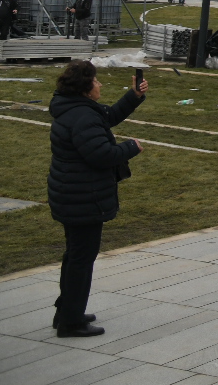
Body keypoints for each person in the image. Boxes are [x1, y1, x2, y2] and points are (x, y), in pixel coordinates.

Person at [46, 59, 147, 337]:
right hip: (83, 197)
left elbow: (107, 117)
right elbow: (101, 155)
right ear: (85, 87)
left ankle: (67, 311)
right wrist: (130, 147)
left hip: (71, 194)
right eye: (96, 80)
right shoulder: (83, 116)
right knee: (81, 259)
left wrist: (133, 96)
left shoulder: (74, 108)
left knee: (74, 255)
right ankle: (71, 322)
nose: (100, 84)